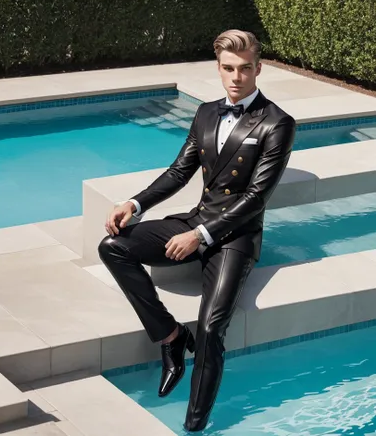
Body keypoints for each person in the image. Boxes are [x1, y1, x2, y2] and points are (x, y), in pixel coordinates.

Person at [98, 29, 296, 432]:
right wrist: (134, 204)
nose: (236, 77)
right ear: (218, 69)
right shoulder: (206, 111)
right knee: (112, 246)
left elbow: (256, 198)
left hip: (235, 236)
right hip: (198, 218)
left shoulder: (278, 123)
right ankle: (170, 337)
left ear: (258, 69)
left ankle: (194, 424)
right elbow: (178, 171)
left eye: (244, 69)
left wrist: (201, 236)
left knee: (209, 328)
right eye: (228, 68)